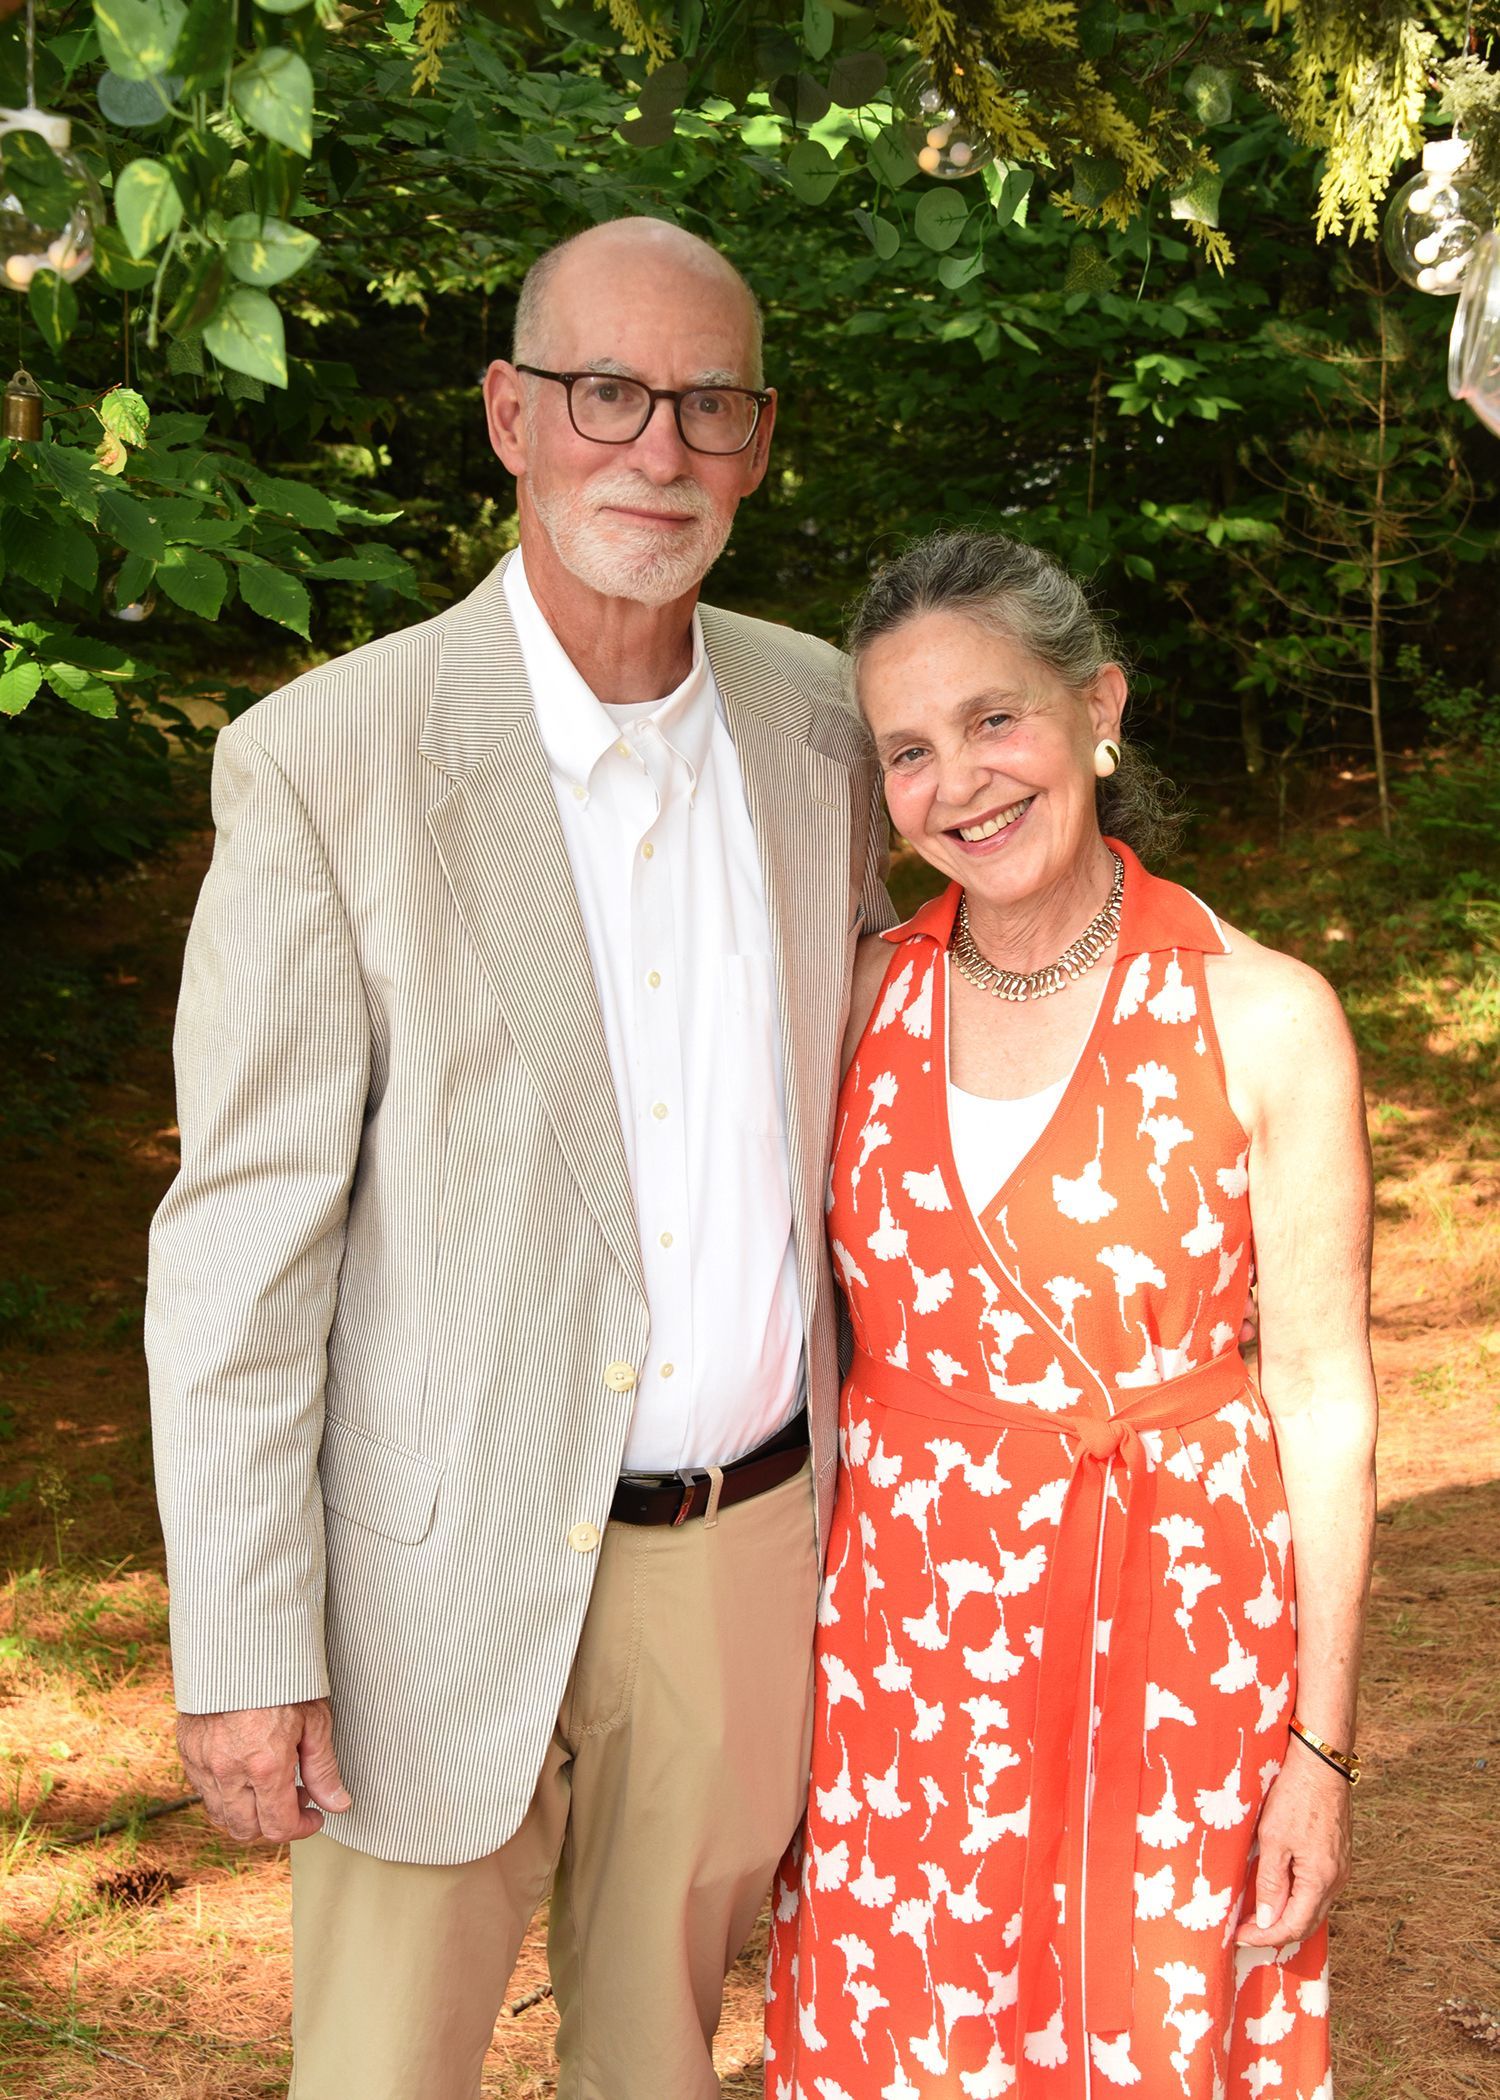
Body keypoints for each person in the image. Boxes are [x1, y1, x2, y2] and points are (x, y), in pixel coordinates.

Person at [145, 216, 890, 2100]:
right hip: (425, 1579)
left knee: (662, 2071)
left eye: (708, 404)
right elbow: (241, 1243)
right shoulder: (330, 760)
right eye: (605, 394)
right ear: (508, 417)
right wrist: (243, 1637)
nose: (658, 448)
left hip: (742, 1560)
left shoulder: (830, 727)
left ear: (761, 440)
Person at [765, 529, 1377, 2098]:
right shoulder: (852, 1003)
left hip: (1181, 1652)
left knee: (1155, 2044)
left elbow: (1319, 1394)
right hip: (907, 1659)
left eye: (993, 719)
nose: (958, 780)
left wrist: (1317, 1754)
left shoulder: (1264, 1014)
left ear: (1097, 705)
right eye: (908, 749)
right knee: (909, 2040)